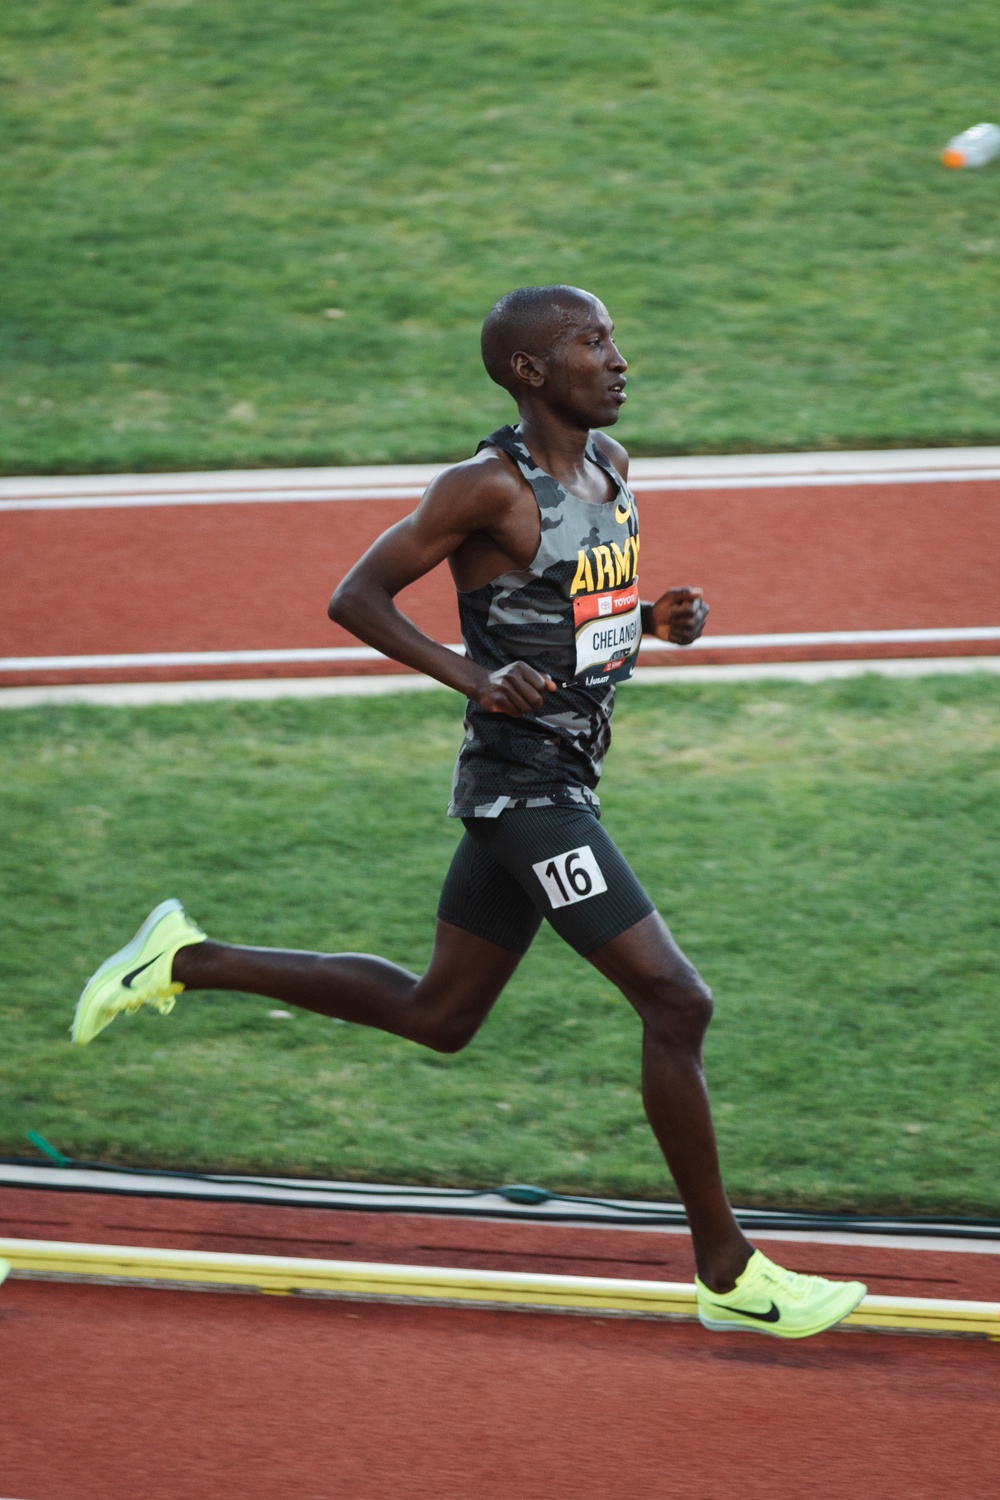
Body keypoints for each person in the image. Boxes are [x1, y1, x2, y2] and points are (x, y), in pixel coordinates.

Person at [72, 285, 865, 1339]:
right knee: (677, 1003)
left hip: (564, 778)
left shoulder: (611, 470)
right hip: (520, 791)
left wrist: (651, 618)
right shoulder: (482, 488)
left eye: (613, 339)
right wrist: (469, 676)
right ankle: (730, 1273)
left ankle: (181, 959)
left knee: (438, 1015)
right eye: (593, 344)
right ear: (530, 372)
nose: (618, 359)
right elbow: (355, 596)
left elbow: (570, 610)